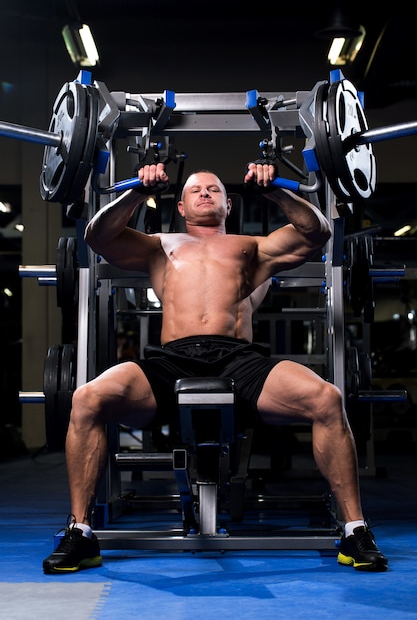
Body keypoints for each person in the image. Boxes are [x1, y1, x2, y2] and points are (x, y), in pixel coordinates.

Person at [42, 161, 388, 574]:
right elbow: (98, 236)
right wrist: (138, 189)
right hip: (171, 360)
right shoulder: (159, 246)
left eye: (215, 189)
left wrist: (275, 189)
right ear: (182, 208)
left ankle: (355, 529)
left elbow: (318, 233)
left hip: (240, 359)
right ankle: (80, 531)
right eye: (195, 190)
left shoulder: (252, 248)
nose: (206, 193)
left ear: (229, 206)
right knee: (87, 398)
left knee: (326, 398)